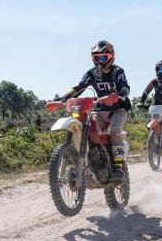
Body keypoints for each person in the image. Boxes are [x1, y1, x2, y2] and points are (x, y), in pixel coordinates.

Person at [55, 40, 131, 181]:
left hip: (118, 109)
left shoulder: (117, 71)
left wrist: (119, 95)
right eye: (96, 58)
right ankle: (95, 161)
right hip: (100, 109)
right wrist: (62, 99)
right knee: (89, 129)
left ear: (110, 56)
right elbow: (78, 88)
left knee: (115, 131)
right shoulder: (91, 74)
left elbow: (126, 87)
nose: (99, 61)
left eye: (102, 58)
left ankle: (119, 167)